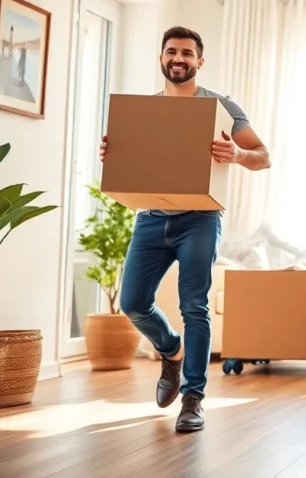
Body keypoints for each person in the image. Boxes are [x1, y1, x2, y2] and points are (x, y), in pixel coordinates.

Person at [99, 26, 271, 432]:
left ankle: (193, 397)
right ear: (162, 58)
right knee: (133, 302)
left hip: (199, 218)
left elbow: (264, 156)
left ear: (199, 61)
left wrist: (238, 152)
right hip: (151, 217)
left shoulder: (221, 107)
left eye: (187, 53)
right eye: (172, 52)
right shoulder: (146, 111)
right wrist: (114, 152)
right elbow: (130, 160)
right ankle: (170, 349)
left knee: (194, 305)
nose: (179, 59)